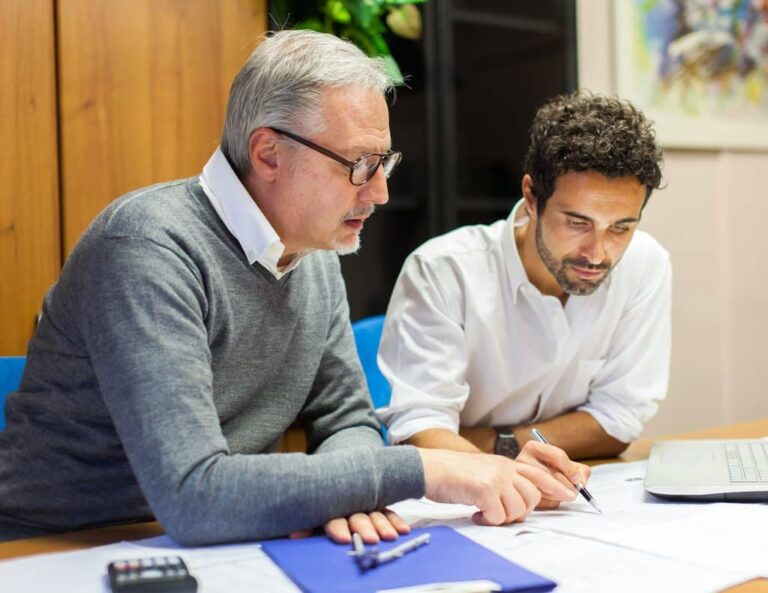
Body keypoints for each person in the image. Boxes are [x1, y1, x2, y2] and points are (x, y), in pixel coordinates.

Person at [0, 30, 588, 546]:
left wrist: (344, 495)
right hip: (58, 550)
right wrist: (424, 470)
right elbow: (192, 492)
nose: (380, 192)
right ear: (268, 153)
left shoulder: (311, 253)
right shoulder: (147, 247)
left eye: (385, 162)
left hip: (223, 540)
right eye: (359, 164)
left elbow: (349, 418)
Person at [378, 91, 669, 461]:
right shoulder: (443, 272)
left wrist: (500, 444)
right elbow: (419, 434)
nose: (598, 253)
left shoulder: (646, 265)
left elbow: (619, 420)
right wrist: (520, 462)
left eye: (621, 228)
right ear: (532, 197)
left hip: (574, 486)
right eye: (577, 223)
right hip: (459, 500)